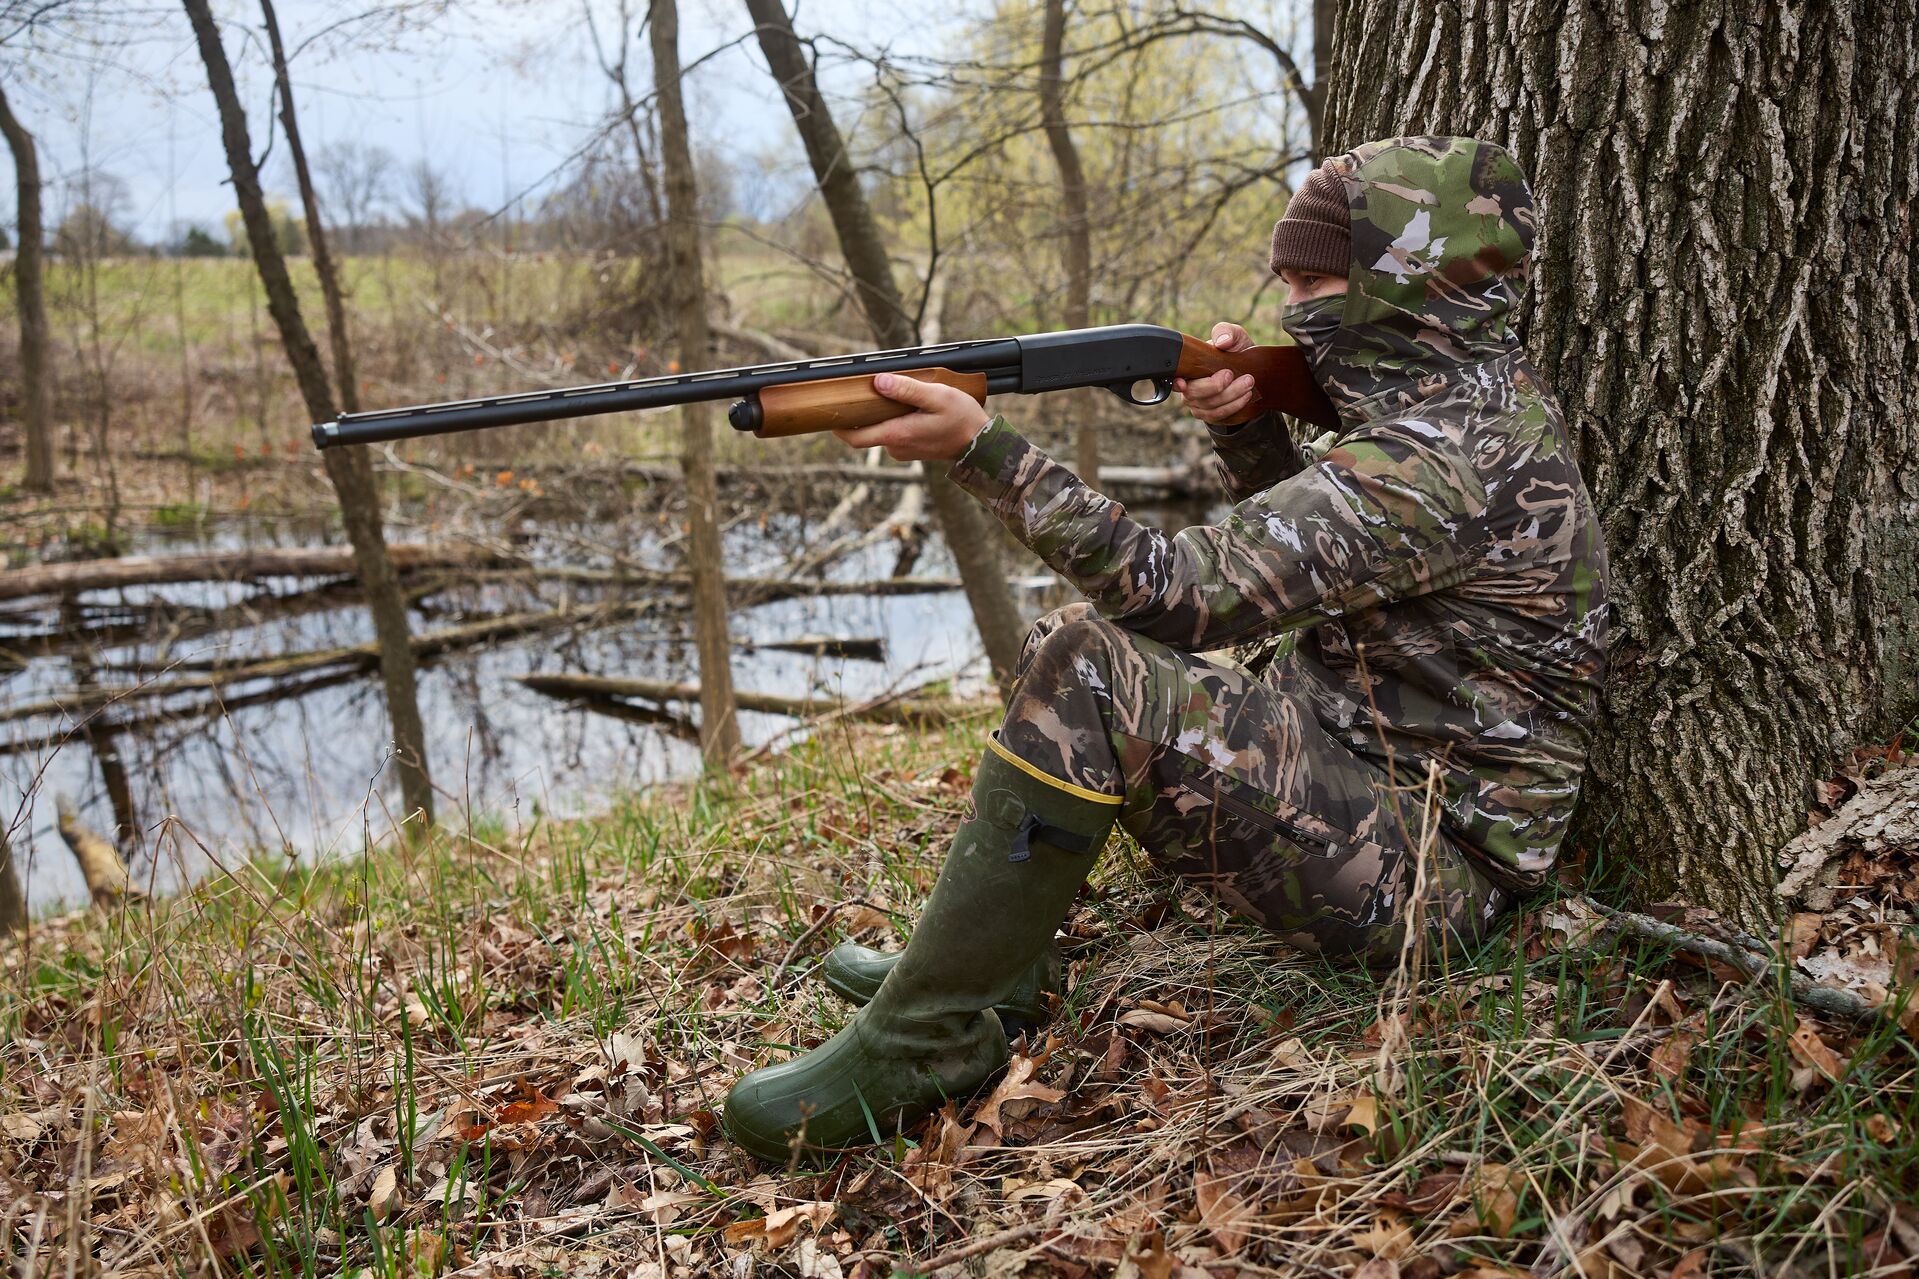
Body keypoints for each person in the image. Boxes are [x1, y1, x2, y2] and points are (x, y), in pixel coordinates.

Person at [721, 135, 1611, 1163]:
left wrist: (984, 451)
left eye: (1316, 279)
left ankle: (921, 1043)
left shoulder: (1435, 461)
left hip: (1430, 881)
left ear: (1410, 284)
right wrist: (1247, 434)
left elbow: (1178, 595)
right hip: (1377, 795)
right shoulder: (1461, 410)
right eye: (1282, 278)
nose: (1290, 307)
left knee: (1092, 666)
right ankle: (983, 978)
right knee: (1071, 642)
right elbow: (1321, 568)